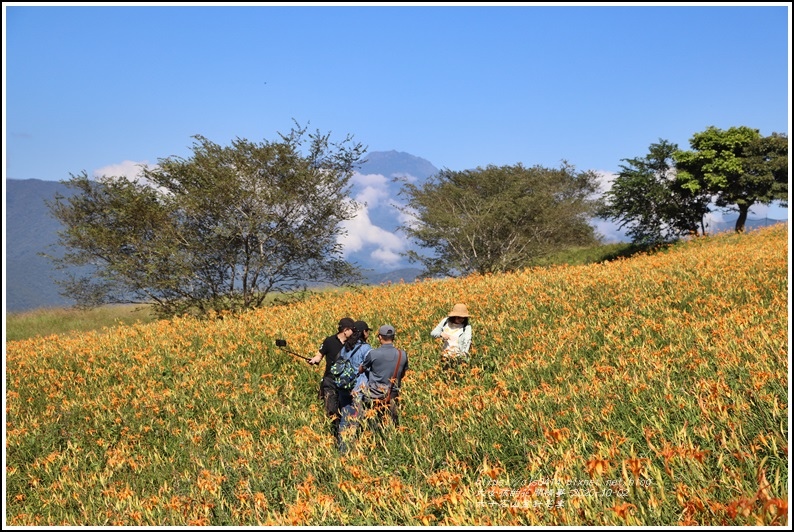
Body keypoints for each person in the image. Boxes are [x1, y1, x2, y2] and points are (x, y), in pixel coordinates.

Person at [308, 317, 356, 441]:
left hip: (346, 383)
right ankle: (335, 434)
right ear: (345, 330)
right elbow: (319, 355)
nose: (354, 332)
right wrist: (314, 360)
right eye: (352, 330)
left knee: (345, 409)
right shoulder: (329, 341)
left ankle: (345, 434)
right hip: (330, 380)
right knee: (331, 409)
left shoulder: (352, 343)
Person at [360, 324, 409, 434]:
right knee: (392, 425)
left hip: (373, 396)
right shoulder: (403, 354)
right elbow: (403, 374)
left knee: (373, 426)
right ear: (394, 337)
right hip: (392, 395)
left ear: (380, 337)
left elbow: (361, 369)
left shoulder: (373, 354)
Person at [337, 320, 372, 454]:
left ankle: (342, 448)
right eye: (367, 331)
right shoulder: (366, 348)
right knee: (356, 419)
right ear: (364, 332)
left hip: (344, 387)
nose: (368, 333)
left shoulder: (345, 347)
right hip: (358, 388)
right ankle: (351, 451)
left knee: (345, 417)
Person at [430, 303, 473, 370]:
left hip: (458, 357)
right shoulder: (445, 321)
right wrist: (441, 334)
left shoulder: (467, 326)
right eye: (459, 317)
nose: (461, 319)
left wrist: (463, 355)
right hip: (445, 355)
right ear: (454, 316)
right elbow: (433, 333)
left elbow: (467, 340)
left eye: (463, 318)